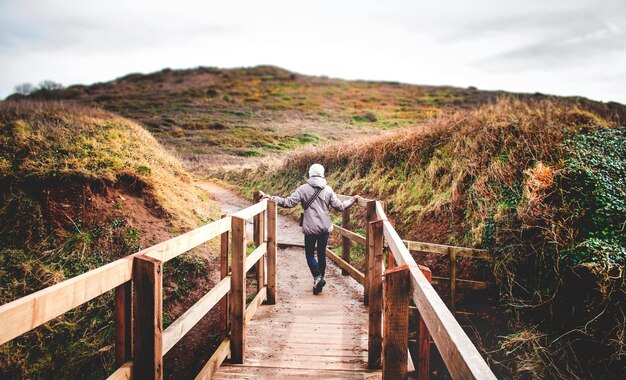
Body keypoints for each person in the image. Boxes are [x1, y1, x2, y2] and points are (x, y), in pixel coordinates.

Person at [260, 164, 360, 295]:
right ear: (323, 174)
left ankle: (317, 278)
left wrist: (272, 198)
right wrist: (352, 199)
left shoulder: (303, 189)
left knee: (309, 254)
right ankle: (320, 280)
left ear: (310, 174)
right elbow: (340, 206)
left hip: (310, 228)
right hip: (325, 227)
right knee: (322, 253)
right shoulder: (328, 189)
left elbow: (289, 203)